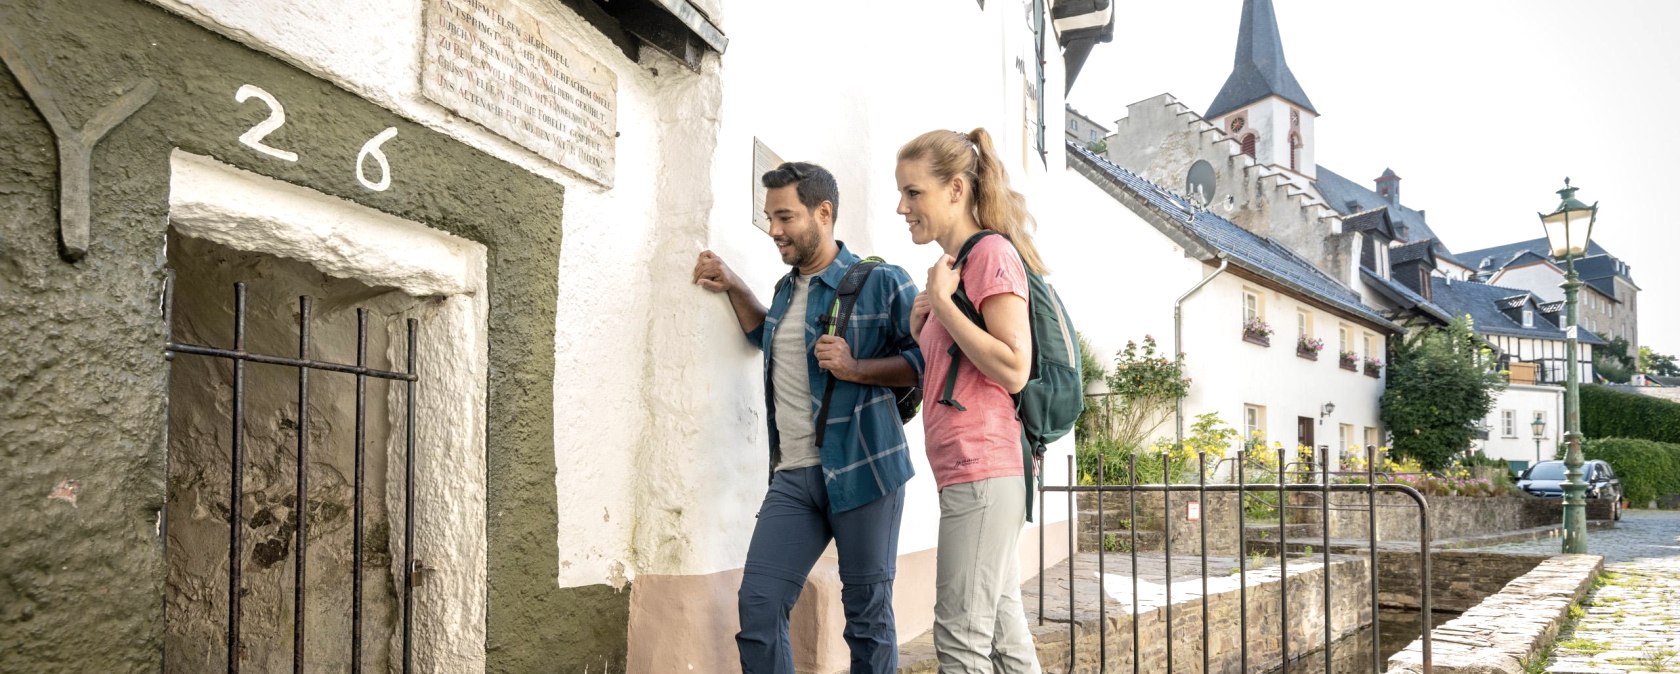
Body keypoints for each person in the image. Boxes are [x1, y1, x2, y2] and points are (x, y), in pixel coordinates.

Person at [692, 161, 923, 674]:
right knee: (759, 605)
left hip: (865, 469)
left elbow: (926, 361)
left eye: (786, 217)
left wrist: (856, 367)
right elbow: (766, 338)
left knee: (866, 619)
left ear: (824, 213)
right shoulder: (784, 290)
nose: (774, 230)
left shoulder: (882, 281)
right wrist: (734, 285)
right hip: (795, 476)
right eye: (770, 217)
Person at [896, 129, 1045, 673]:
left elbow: (1012, 367)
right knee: (1006, 645)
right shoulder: (957, 268)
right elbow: (963, 373)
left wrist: (943, 304)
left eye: (914, 193)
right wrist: (925, 329)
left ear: (955, 189)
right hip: (973, 475)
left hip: (982, 472)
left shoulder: (991, 255)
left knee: (960, 643)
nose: (902, 207)